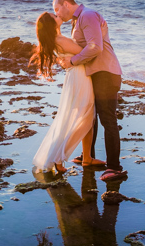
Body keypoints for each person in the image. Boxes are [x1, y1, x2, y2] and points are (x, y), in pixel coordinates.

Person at [53, 0, 125, 182]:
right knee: (90, 116)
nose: (57, 14)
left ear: (66, 4)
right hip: (95, 72)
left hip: (106, 73)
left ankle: (114, 168)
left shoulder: (87, 15)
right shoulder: (77, 21)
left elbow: (95, 48)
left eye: (57, 9)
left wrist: (73, 61)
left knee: (107, 119)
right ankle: (88, 157)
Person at [29, 12, 105, 174]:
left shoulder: (57, 40)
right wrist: (101, 34)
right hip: (80, 78)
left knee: (87, 118)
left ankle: (86, 158)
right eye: (54, 16)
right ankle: (59, 157)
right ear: (52, 24)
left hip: (76, 77)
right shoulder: (61, 40)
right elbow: (86, 52)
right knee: (84, 118)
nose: (58, 15)